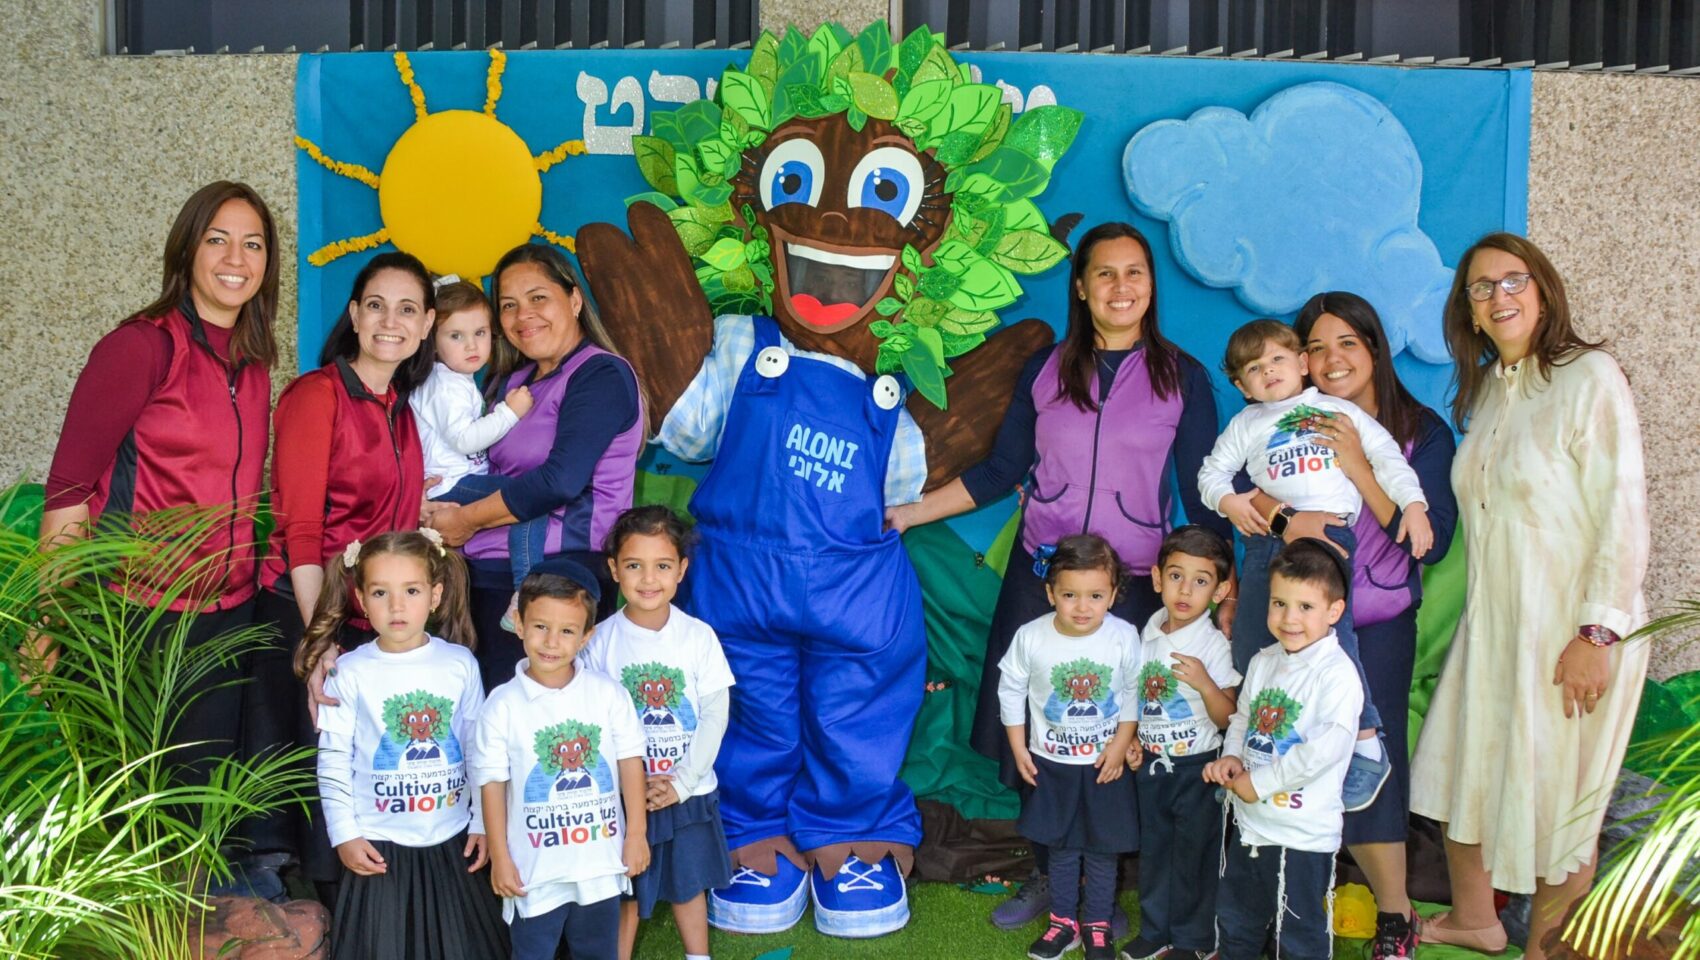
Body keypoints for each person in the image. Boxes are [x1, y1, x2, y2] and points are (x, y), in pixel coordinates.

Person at [885, 222, 1229, 931]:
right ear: (1081, 286)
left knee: (1118, 725)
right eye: (1105, 274)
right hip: (1043, 576)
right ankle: (1049, 876)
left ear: (1151, 285)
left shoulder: (1181, 376)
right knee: (1046, 723)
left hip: (1133, 583)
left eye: (1135, 273)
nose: (1121, 288)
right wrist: (908, 515)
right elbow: (999, 472)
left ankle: (1113, 879)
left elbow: (1203, 494)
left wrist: (1224, 590)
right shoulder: (1046, 368)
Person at [1411, 234, 1649, 960]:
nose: (1499, 296)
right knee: (1459, 770)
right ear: (1471, 314)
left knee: (1560, 804)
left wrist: (1598, 633)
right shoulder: (1486, 394)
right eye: (1482, 289)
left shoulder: (1589, 377)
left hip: (1570, 633)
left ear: (1542, 293)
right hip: (1495, 630)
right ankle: (1477, 921)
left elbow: (1623, 507)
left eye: (1513, 280)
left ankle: (1546, 947)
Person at [34, 180, 278, 789]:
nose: (235, 260)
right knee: (131, 800)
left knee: (199, 797)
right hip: (136, 617)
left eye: (252, 245)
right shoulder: (140, 347)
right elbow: (69, 490)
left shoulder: (253, 362)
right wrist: (46, 624)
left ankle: (205, 888)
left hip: (225, 613)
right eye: (217, 240)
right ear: (186, 250)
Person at [1239, 292, 1459, 958]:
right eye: (1315, 347)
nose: (1331, 360)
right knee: (1275, 750)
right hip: (1287, 626)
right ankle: (1280, 909)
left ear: (1374, 350)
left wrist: (1357, 461)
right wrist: (1281, 522)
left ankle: (1395, 916)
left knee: (1368, 762)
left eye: (1348, 345)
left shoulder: (1421, 431)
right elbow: (1240, 499)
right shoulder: (1276, 419)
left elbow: (1434, 540)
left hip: (1376, 624)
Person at [255, 250, 436, 892]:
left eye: (408, 308)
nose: (392, 320)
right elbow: (300, 530)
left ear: (426, 324)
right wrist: (318, 641)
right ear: (356, 315)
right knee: (316, 780)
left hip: (370, 623)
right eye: (377, 305)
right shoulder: (316, 395)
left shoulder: (404, 413)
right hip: (307, 612)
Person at [1198, 318, 1432, 810]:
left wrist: (1412, 504)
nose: (1269, 373)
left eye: (1278, 360)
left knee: (1333, 640)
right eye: (1255, 369)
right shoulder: (1246, 425)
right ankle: (1263, 745)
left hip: (1328, 539)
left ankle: (1366, 739)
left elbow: (1387, 457)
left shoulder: (1335, 410)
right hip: (1266, 543)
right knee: (1251, 644)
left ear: (1302, 364)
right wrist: (1229, 502)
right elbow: (1211, 473)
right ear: (1241, 386)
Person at [424, 243, 644, 692]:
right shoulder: (512, 381)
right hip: (479, 581)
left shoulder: (599, 375)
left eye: (538, 297)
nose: (523, 314)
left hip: (555, 585)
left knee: (538, 735)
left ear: (575, 300)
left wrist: (463, 519)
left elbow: (560, 480)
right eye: (508, 305)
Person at [304, 530, 507, 960]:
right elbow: (334, 759)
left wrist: (483, 822)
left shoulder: (459, 664)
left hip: (452, 839)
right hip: (380, 846)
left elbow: (478, 750)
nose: (397, 606)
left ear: (434, 595)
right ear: (360, 597)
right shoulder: (349, 672)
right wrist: (344, 834)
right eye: (381, 592)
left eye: (411, 591)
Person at [473, 558, 649, 960]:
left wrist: (635, 834)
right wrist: (500, 857)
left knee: (597, 951)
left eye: (567, 631)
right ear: (519, 624)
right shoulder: (501, 706)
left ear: (586, 636)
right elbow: (492, 784)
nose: (552, 642)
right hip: (534, 870)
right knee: (532, 952)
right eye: (540, 627)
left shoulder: (607, 695)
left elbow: (629, 762)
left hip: (599, 863)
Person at [582, 506, 735, 960]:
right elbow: (589, 719)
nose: (648, 579)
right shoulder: (599, 641)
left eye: (662, 566)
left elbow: (715, 715)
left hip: (685, 792)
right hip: (624, 798)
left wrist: (682, 782)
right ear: (614, 569)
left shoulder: (698, 637)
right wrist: (625, 785)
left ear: (681, 571)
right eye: (634, 565)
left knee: (688, 886)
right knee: (625, 890)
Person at [1205, 539, 1364, 960]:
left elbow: (1322, 751)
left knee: (1300, 934)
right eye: (1279, 603)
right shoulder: (1263, 661)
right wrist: (1233, 757)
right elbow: (1242, 718)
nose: (1289, 619)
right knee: (1238, 919)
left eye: (1305, 607)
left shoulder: (1337, 675)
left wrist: (1260, 782)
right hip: (1252, 825)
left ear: (1334, 611)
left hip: (1302, 836)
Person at [998, 534, 1139, 960]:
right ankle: (1064, 925)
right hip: (1051, 764)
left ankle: (1097, 925)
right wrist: (1019, 748)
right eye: (1070, 595)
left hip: (1104, 765)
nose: (1083, 607)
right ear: (1050, 593)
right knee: (1060, 850)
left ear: (1113, 594)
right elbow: (1010, 691)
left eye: (1095, 595)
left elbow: (1133, 693)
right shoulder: (1031, 636)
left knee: (1101, 851)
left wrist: (1121, 743)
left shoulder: (1123, 635)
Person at [1118, 525, 1238, 960]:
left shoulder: (1213, 645)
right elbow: (1133, 699)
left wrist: (1205, 684)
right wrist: (1131, 743)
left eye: (1201, 581)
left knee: (1194, 855)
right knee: (1156, 851)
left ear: (1220, 590)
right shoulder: (1142, 637)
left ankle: (1194, 940)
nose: (1185, 590)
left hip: (1198, 769)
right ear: (1156, 578)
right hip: (1152, 766)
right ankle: (1155, 931)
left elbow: (1229, 718)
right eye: (1175, 576)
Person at [409, 278, 545, 592]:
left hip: (454, 479)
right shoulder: (446, 385)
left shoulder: (455, 378)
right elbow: (464, 439)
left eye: (480, 333)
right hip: (451, 482)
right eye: (456, 335)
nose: (471, 345)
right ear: (432, 338)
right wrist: (510, 413)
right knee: (528, 497)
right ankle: (528, 589)